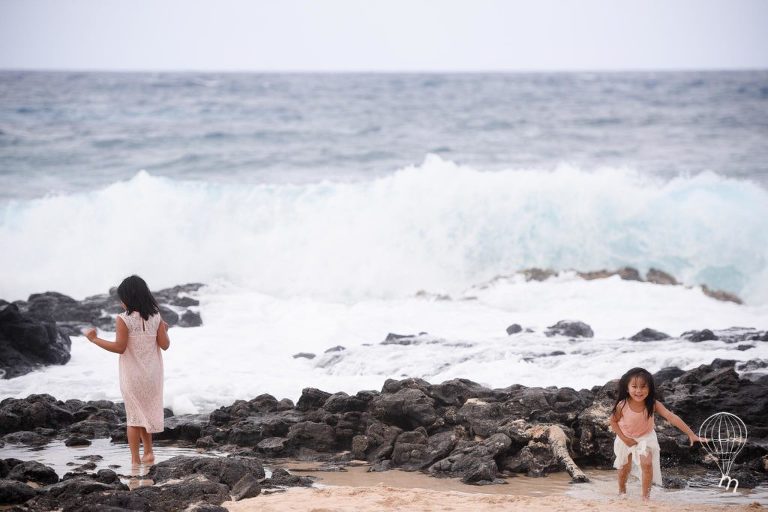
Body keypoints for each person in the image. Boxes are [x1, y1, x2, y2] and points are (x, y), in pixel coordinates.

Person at [84, 275, 170, 466]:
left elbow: (119, 347)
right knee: (145, 413)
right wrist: (165, 330)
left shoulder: (124, 319)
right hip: (153, 375)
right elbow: (164, 345)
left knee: (133, 417)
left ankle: (135, 460)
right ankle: (148, 453)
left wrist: (94, 340)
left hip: (133, 375)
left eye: (121, 298)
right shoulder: (156, 316)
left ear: (128, 298)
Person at [609, 367, 702, 501]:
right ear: (627, 388)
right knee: (624, 468)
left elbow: (671, 417)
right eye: (634, 386)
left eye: (643, 387)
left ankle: (645, 497)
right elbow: (613, 421)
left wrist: (691, 434)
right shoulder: (622, 405)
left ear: (650, 388)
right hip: (625, 437)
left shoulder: (652, 404)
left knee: (647, 464)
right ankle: (622, 491)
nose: (639, 391)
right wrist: (624, 439)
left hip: (645, 438)